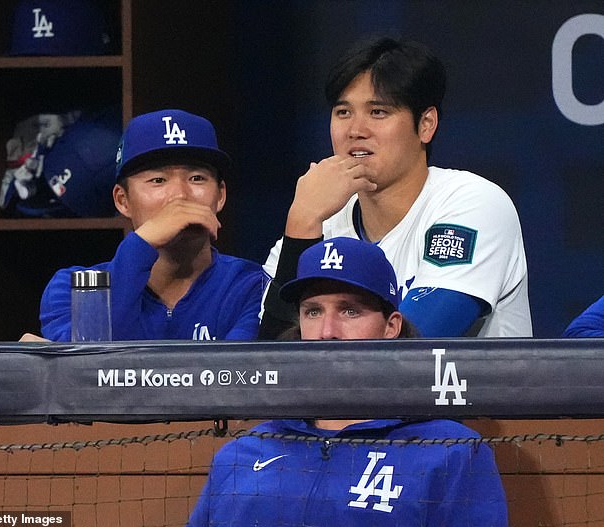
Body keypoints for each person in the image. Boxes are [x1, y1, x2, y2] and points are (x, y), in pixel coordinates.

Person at [188, 237, 508, 526]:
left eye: (350, 311)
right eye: (312, 311)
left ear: (391, 326)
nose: (327, 330)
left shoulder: (450, 450)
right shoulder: (244, 453)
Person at [260, 36, 531, 339]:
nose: (355, 131)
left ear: (426, 124)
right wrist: (301, 223)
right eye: (343, 112)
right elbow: (270, 371)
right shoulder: (315, 221)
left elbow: (410, 355)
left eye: (378, 112)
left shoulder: (473, 203)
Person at [39, 109, 267, 341]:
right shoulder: (75, 290)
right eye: (158, 180)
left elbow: (236, 373)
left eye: (197, 178)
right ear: (122, 200)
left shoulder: (254, 286)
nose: (180, 195)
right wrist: (140, 245)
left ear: (220, 196)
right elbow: (93, 370)